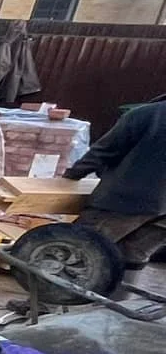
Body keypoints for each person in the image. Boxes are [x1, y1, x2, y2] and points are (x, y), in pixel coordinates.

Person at [67, 95, 166, 266]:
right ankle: (114, 293)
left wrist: (72, 174)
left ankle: (56, 290)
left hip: (126, 201)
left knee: (76, 249)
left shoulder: (147, 114)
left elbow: (104, 151)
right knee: (130, 256)